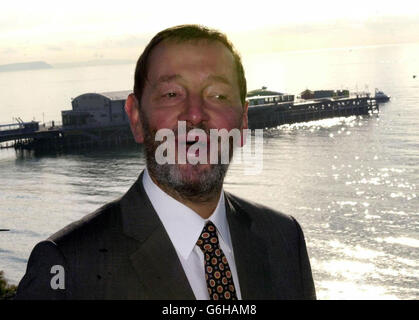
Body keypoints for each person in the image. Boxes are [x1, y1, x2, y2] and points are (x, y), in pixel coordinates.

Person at [15, 24, 316, 300]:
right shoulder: (68, 263)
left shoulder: (284, 237)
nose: (195, 114)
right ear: (135, 118)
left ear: (243, 121)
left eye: (219, 95)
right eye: (171, 94)